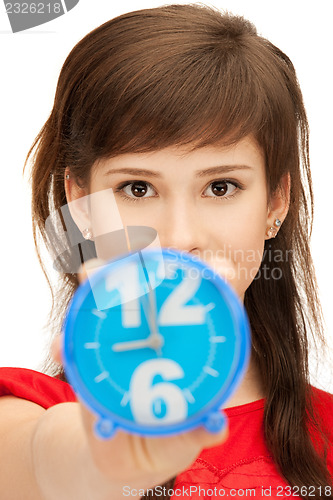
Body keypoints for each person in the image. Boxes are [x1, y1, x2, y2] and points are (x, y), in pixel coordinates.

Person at [0, 3, 332, 499]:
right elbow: (43, 461)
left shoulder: (325, 433)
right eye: (137, 188)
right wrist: (102, 458)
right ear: (81, 203)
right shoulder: (26, 412)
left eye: (221, 187)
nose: (179, 238)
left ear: (275, 202)